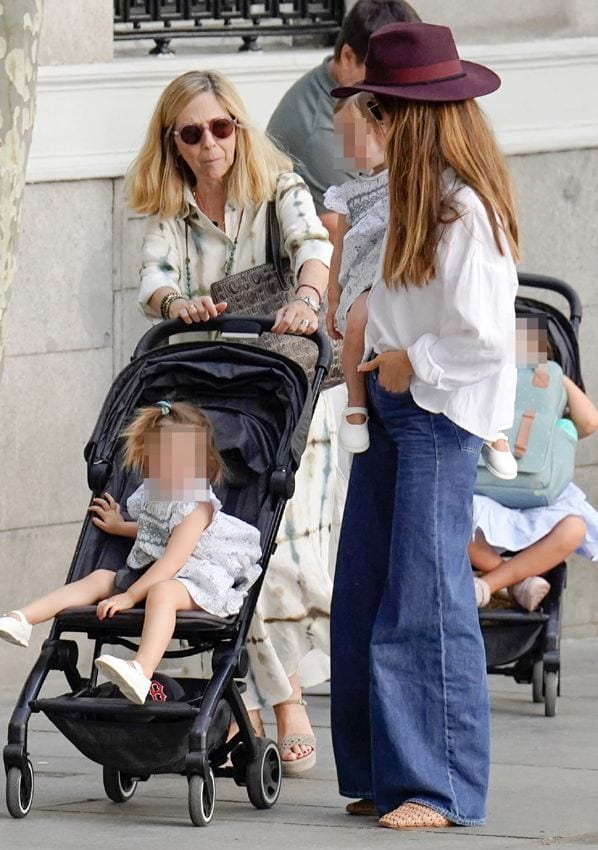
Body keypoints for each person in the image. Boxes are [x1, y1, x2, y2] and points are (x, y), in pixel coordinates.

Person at [329, 22, 519, 829]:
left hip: (438, 418)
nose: (374, 118)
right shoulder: (413, 199)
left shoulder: (462, 211)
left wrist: (411, 364)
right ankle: (380, 770)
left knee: (426, 598)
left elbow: (484, 340)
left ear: (419, 116)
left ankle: (438, 787)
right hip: (392, 404)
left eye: (384, 107)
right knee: (366, 589)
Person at [126, 69, 335, 774]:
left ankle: (285, 700)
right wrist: (174, 306)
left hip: (284, 391)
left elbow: (314, 244)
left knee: (279, 551)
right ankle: (265, 701)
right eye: (193, 132)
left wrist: (307, 297)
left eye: (221, 127)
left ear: (239, 128)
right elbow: (153, 277)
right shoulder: (172, 208)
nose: (210, 142)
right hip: (212, 396)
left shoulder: (277, 187)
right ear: (174, 143)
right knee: (228, 548)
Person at [0, 401, 262, 706]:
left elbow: (172, 560)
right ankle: (22, 619)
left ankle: (141, 670)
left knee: (162, 592)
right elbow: (154, 531)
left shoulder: (198, 508)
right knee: (100, 578)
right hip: (159, 570)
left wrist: (129, 596)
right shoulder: (154, 495)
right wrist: (120, 525)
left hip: (198, 578)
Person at [267, 0, 420, 242]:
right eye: (381, 74)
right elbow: (348, 236)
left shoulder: (351, 97)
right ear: (347, 56)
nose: (395, 89)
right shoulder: (327, 130)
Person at [471, 351, 598, 611]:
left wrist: (553, 375)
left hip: (540, 497)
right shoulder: (488, 381)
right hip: (485, 491)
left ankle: (490, 584)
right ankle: (514, 583)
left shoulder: (553, 398)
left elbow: (589, 422)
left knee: (575, 528)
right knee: (449, 520)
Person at [324, 93, 388, 453]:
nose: (345, 146)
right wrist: (334, 297)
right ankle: (355, 400)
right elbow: (339, 246)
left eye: (352, 135)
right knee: (358, 321)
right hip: (363, 278)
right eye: (340, 137)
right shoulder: (348, 194)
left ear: (383, 127)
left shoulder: (408, 178)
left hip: (394, 273)